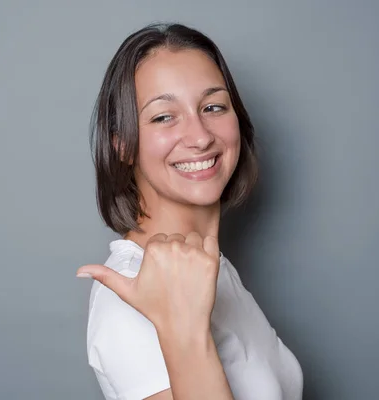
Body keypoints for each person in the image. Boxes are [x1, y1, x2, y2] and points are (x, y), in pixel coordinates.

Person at [76, 23, 303, 400]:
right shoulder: (132, 299)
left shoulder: (207, 265)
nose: (200, 137)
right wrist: (184, 331)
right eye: (164, 116)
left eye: (213, 107)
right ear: (123, 146)